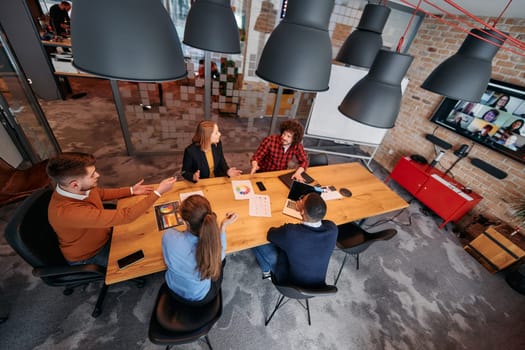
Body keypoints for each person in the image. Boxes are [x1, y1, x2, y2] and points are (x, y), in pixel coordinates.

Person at [46, 152, 177, 266]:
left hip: (104, 232)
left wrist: (131, 190)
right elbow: (126, 216)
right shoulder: (67, 213)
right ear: (74, 184)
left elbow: (100, 193)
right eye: (92, 175)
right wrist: (158, 192)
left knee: (147, 227)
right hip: (91, 253)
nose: (98, 175)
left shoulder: (78, 189)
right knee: (151, 253)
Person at [162, 195, 238, 303]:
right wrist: (223, 226)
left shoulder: (169, 237)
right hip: (200, 296)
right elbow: (219, 251)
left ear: (186, 223)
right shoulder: (216, 251)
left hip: (173, 288)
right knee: (222, 261)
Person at [252, 193, 337, 286]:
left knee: (256, 240)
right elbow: (322, 222)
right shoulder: (333, 229)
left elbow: (270, 234)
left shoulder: (291, 233)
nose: (299, 200)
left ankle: (266, 271)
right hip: (318, 286)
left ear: (302, 211)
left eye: (301, 199)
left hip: (290, 284)